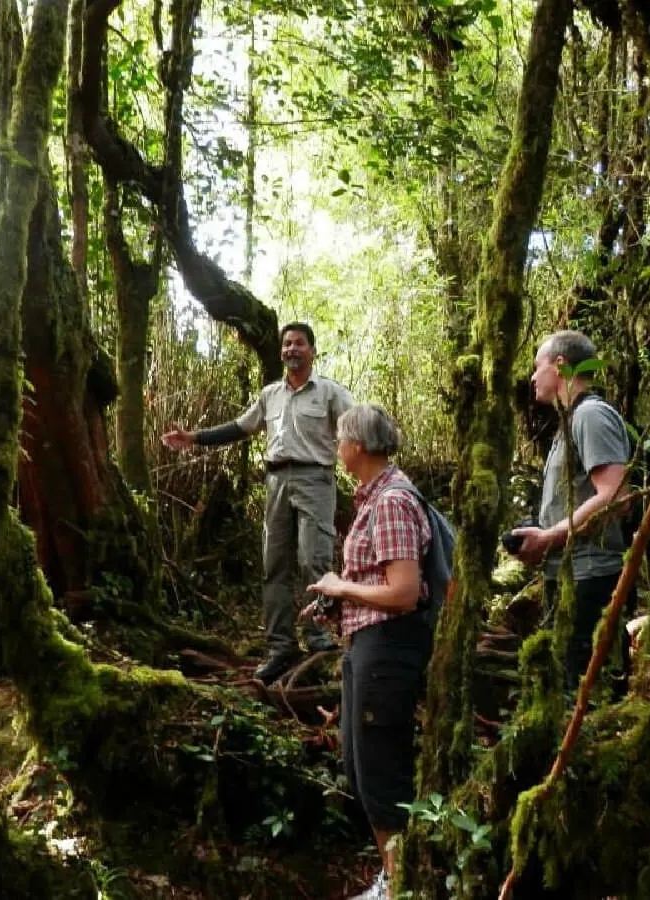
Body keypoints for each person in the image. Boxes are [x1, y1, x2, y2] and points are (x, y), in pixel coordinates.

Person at [161, 322, 353, 684]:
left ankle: (318, 638)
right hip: (276, 481)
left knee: (313, 559)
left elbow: (356, 427)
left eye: (299, 343)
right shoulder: (270, 395)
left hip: (316, 479)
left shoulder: (329, 393)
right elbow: (240, 427)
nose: (291, 349)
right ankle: (281, 646)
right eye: (287, 344)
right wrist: (194, 437)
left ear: (312, 351)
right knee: (274, 564)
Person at [304, 404, 431, 900]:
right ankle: (394, 877)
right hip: (368, 646)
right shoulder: (374, 499)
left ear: (357, 445)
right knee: (361, 770)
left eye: (340, 440)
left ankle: (402, 886)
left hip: (388, 649)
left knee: (381, 774)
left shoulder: (392, 501)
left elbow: (404, 592)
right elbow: (379, 582)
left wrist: (343, 587)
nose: (337, 448)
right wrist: (337, 599)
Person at [506, 329, 634, 698]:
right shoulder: (571, 420)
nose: (533, 376)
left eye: (538, 366)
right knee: (564, 683)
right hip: (569, 574)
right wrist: (540, 539)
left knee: (585, 690)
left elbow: (615, 496)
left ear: (560, 365)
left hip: (589, 576)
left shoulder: (590, 415)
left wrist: (549, 537)